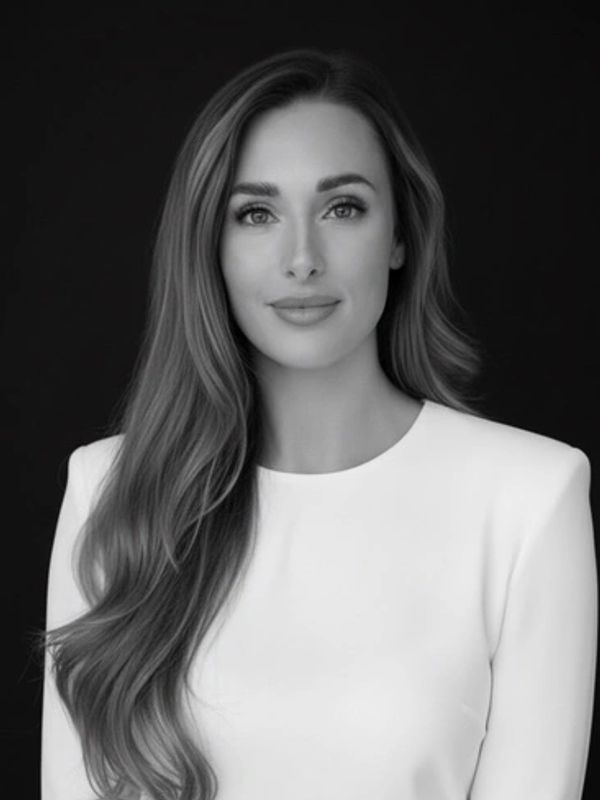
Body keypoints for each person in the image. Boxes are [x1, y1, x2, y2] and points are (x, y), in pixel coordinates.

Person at [41, 48, 597, 800]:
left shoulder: (531, 497)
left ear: (400, 236)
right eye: (256, 214)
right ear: (210, 246)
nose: (301, 258)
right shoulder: (109, 488)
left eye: (343, 208)